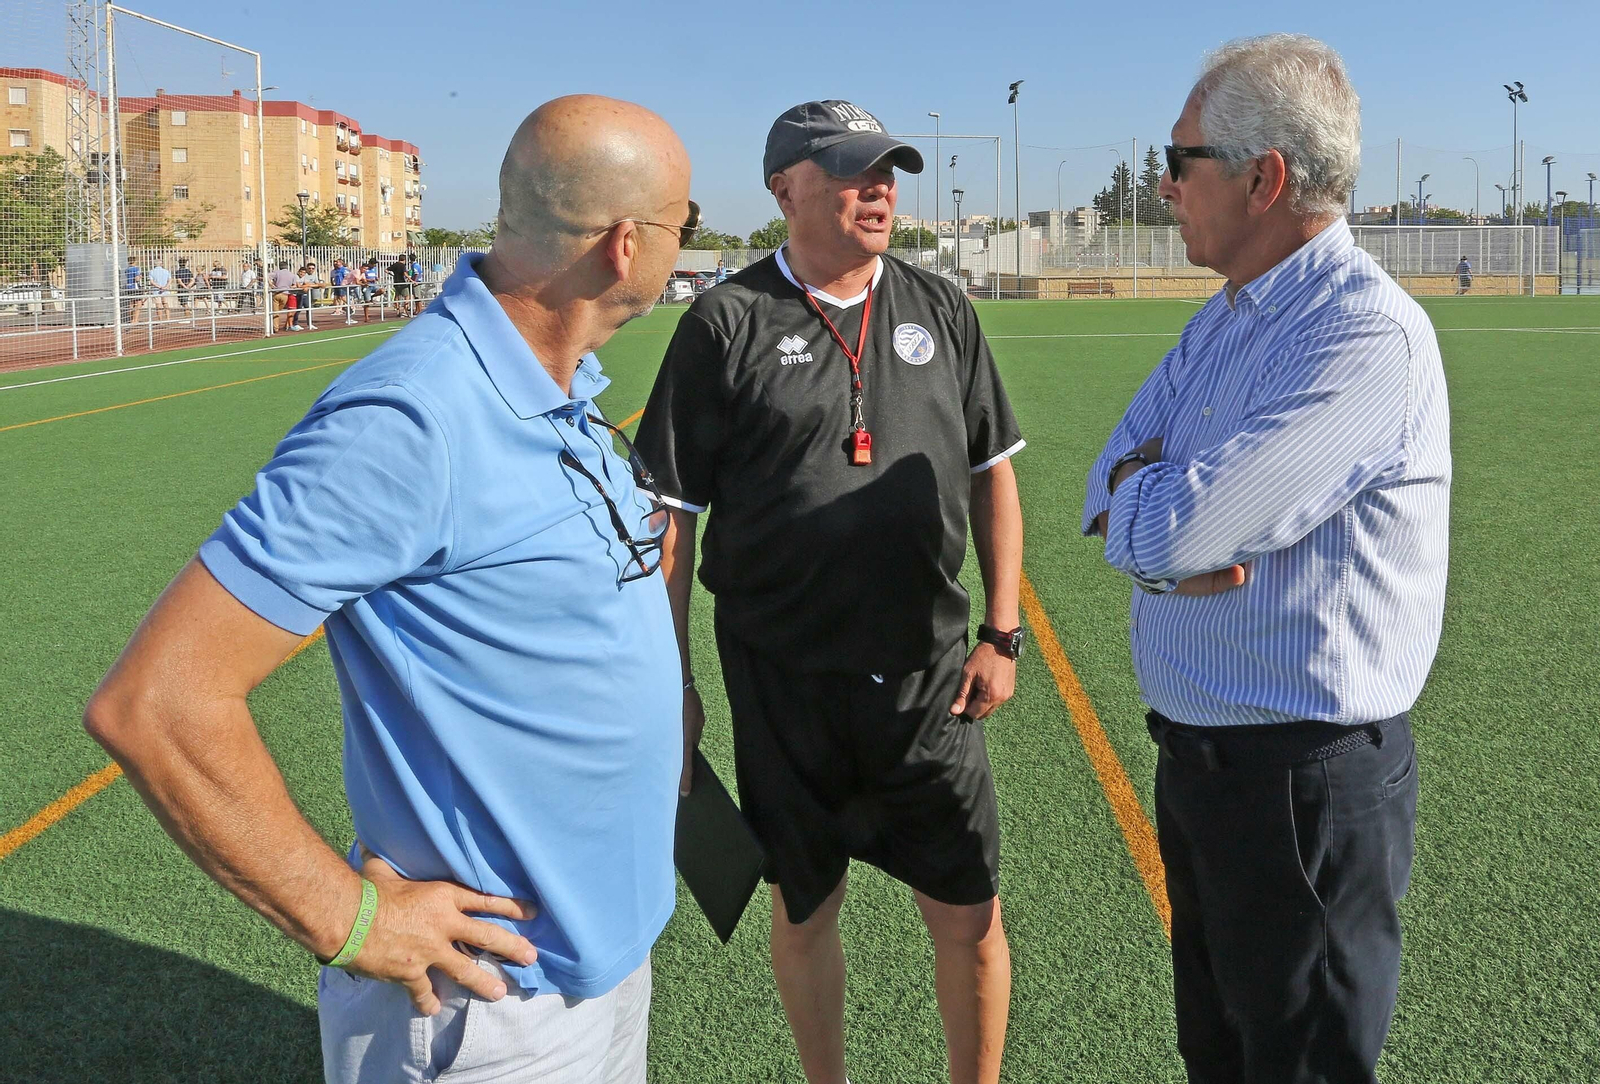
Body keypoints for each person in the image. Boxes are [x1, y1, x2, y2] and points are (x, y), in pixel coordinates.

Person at [84, 94, 695, 1084]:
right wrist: (350, 918)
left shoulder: (562, 388)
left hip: (598, 966)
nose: (684, 250)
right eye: (686, 226)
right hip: (492, 1009)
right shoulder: (413, 419)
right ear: (626, 245)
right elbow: (157, 702)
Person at [1081, 34, 1448, 1084]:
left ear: (1263, 177)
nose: (1164, 184)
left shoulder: (1363, 335)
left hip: (1301, 786)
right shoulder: (1225, 319)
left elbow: (1163, 528)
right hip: (1205, 770)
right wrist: (1155, 511)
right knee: (1222, 1054)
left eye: (1181, 158)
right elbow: (1110, 483)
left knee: (1297, 1066)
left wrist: (1155, 516)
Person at [635, 99, 1024, 1084]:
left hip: (928, 678)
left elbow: (991, 472)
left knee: (969, 915)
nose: (879, 189)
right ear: (784, 189)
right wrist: (668, 683)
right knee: (803, 910)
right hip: (782, 683)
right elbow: (671, 521)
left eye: (886, 172)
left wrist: (1003, 632)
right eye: (853, 172)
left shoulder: (940, 309)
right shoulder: (725, 322)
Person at [269, 261, 298, 331]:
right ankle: (274, 326)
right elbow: (294, 285)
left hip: (277, 293)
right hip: (285, 295)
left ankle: (275, 328)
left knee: (275, 311)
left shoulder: (276, 272)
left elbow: (266, 276)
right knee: (277, 311)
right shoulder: (292, 275)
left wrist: (271, 285)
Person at [390, 252, 414, 316]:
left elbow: (386, 270)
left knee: (397, 297)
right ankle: (405, 311)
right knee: (406, 296)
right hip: (402, 282)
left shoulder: (394, 265)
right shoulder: (403, 265)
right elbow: (405, 273)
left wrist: (392, 275)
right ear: (404, 259)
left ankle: (398, 311)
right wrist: (411, 280)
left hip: (396, 282)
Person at [174, 257, 196, 323]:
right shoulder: (188, 271)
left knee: (184, 303)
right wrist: (188, 286)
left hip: (181, 288)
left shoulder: (178, 272)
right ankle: (188, 315)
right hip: (186, 288)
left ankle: (187, 318)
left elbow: (179, 281)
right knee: (184, 303)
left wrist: (184, 286)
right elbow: (192, 280)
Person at [122, 255, 143, 324]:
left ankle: (131, 319)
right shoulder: (136, 269)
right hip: (135, 287)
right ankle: (135, 320)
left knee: (131, 303)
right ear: (134, 262)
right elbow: (137, 278)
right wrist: (140, 276)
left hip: (129, 287)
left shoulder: (127, 269)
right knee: (138, 303)